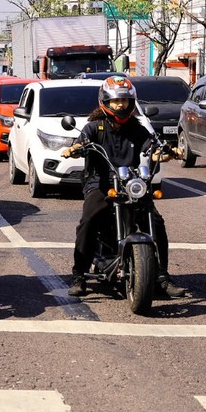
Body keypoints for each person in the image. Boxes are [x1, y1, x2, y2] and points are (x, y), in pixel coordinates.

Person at [60, 76, 184, 299]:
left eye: (125, 101)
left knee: (156, 222)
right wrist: (75, 149)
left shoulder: (137, 128)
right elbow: (81, 143)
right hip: (100, 182)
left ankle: (162, 277)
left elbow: (152, 148)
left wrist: (166, 153)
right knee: (89, 220)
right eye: (116, 101)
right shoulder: (93, 127)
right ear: (106, 102)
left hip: (130, 182)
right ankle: (79, 274)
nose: (120, 105)